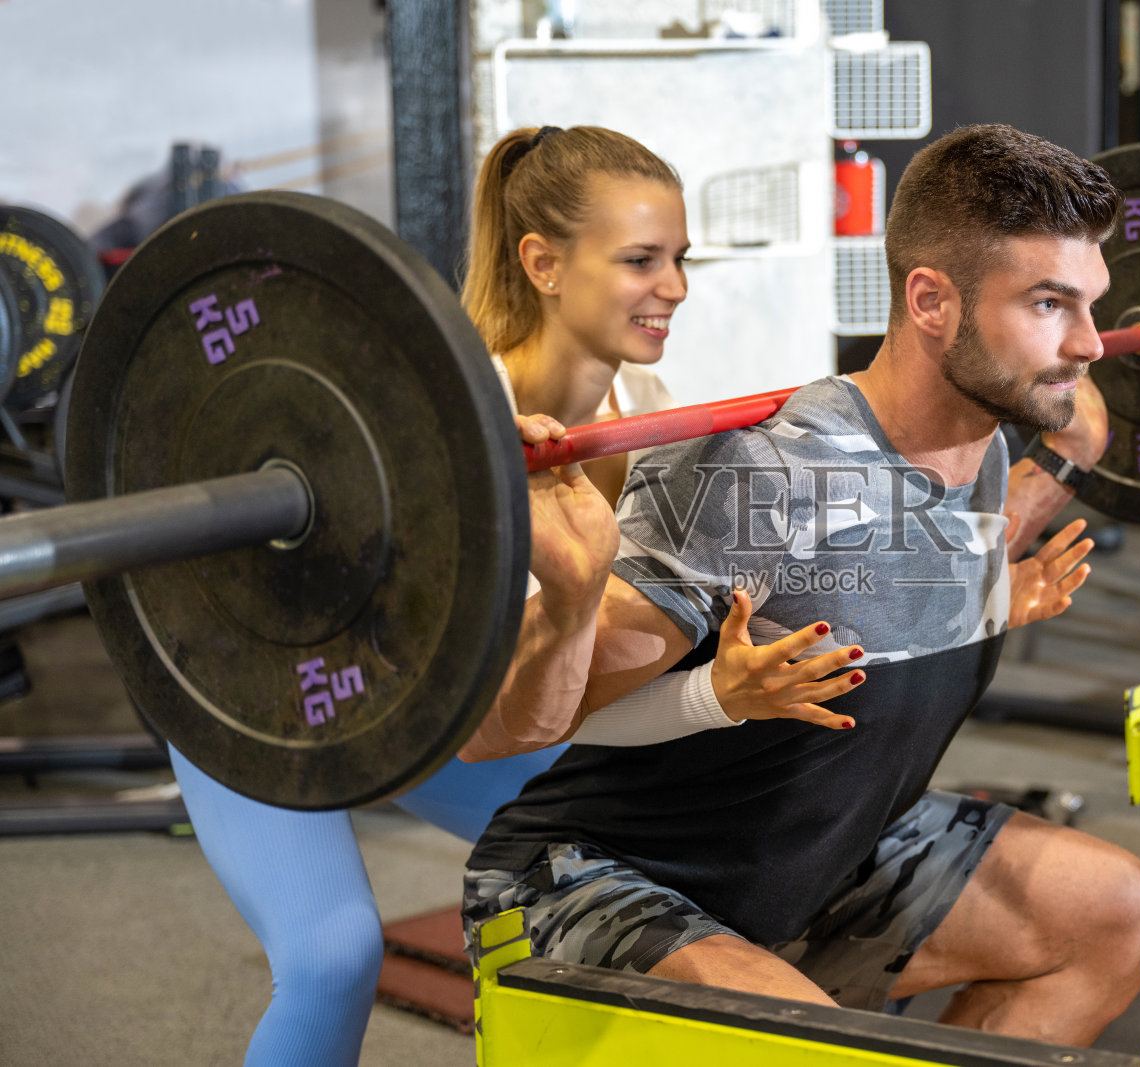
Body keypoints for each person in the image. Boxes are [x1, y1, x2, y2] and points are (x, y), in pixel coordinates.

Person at [171, 124, 859, 1067]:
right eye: (641, 260)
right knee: (333, 957)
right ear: (543, 262)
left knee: (667, 842)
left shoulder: (646, 414)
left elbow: (562, 708)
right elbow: (497, 706)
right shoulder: (441, 428)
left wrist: (720, 692)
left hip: (449, 708)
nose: (677, 288)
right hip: (270, 677)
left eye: (680, 259)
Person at [462, 124, 1140, 1048]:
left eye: (1091, 304)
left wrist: (1073, 454)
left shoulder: (986, 446)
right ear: (931, 301)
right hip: (596, 879)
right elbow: (509, 727)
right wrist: (582, 589)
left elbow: (931, 540)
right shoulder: (761, 475)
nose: (1089, 344)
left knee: (1113, 911)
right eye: (1047, 304)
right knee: (821, 1051)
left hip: (822, 866)